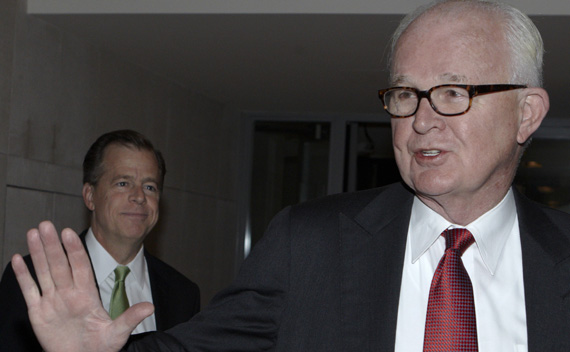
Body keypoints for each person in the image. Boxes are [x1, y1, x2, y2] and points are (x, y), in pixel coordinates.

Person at [10, 0, 570, 351]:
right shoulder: (310, 244)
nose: (420, 120)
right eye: (405, 94)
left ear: (527, 112)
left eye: (453, 92)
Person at [1, 129, 200, 351]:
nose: (139, 196)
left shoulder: (183, 295)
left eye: (149, 187)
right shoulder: (35, 282)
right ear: (90, 196)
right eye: (123, 183)